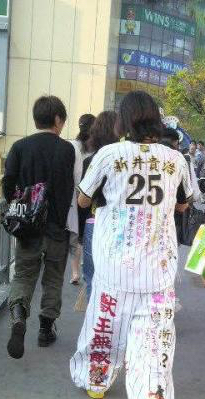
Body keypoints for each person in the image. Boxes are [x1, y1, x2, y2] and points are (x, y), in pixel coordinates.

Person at [70, 91, 193, 399]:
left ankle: (96, 381)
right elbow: (184, 204)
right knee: (154, 340)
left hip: (114, 262)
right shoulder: (175, 159)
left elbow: (83, 199)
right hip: (158, 266)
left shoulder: (109, 154)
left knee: (104, 324)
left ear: (124, 120)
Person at [3, 95, 75, 359]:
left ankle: (18, 315)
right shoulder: (66, 150)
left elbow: (8, 184)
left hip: (28, 228)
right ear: (57, 119)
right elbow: (70, 187)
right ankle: (46, 329)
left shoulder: (19, 147)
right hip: (57, 227)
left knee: (23, 275)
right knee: (53, 278)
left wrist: (20, 208)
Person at [80, 111, 118, 300]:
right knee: (116, 279)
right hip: (121, 224)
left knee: (92, 278)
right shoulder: (126, 161)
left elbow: (83, 202)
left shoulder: (91, 161)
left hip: (95, 222)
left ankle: (94, 314)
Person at [68, 113, 95, 285]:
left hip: (74, 196)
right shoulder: (97, 149)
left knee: (76, 235)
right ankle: (87, 265)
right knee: (89, 232)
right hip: (91, 196)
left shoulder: (72, 145)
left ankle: (75, 272)